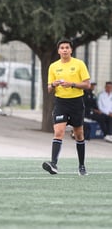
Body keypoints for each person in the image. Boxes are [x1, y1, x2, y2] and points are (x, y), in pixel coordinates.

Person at [43, 38, 91, 176]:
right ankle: (53, 164)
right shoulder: (53, 66)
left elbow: (87, 85)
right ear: (58, 51)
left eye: (67, 47)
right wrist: (53, 84)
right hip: (61, 103)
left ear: (71, 50)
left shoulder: (79, 64)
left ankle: (81, 166)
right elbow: (48, 89)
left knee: (79, 134)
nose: (64, 50)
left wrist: (72, 84)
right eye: (62, 48)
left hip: (76, 102)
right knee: (58, 132)